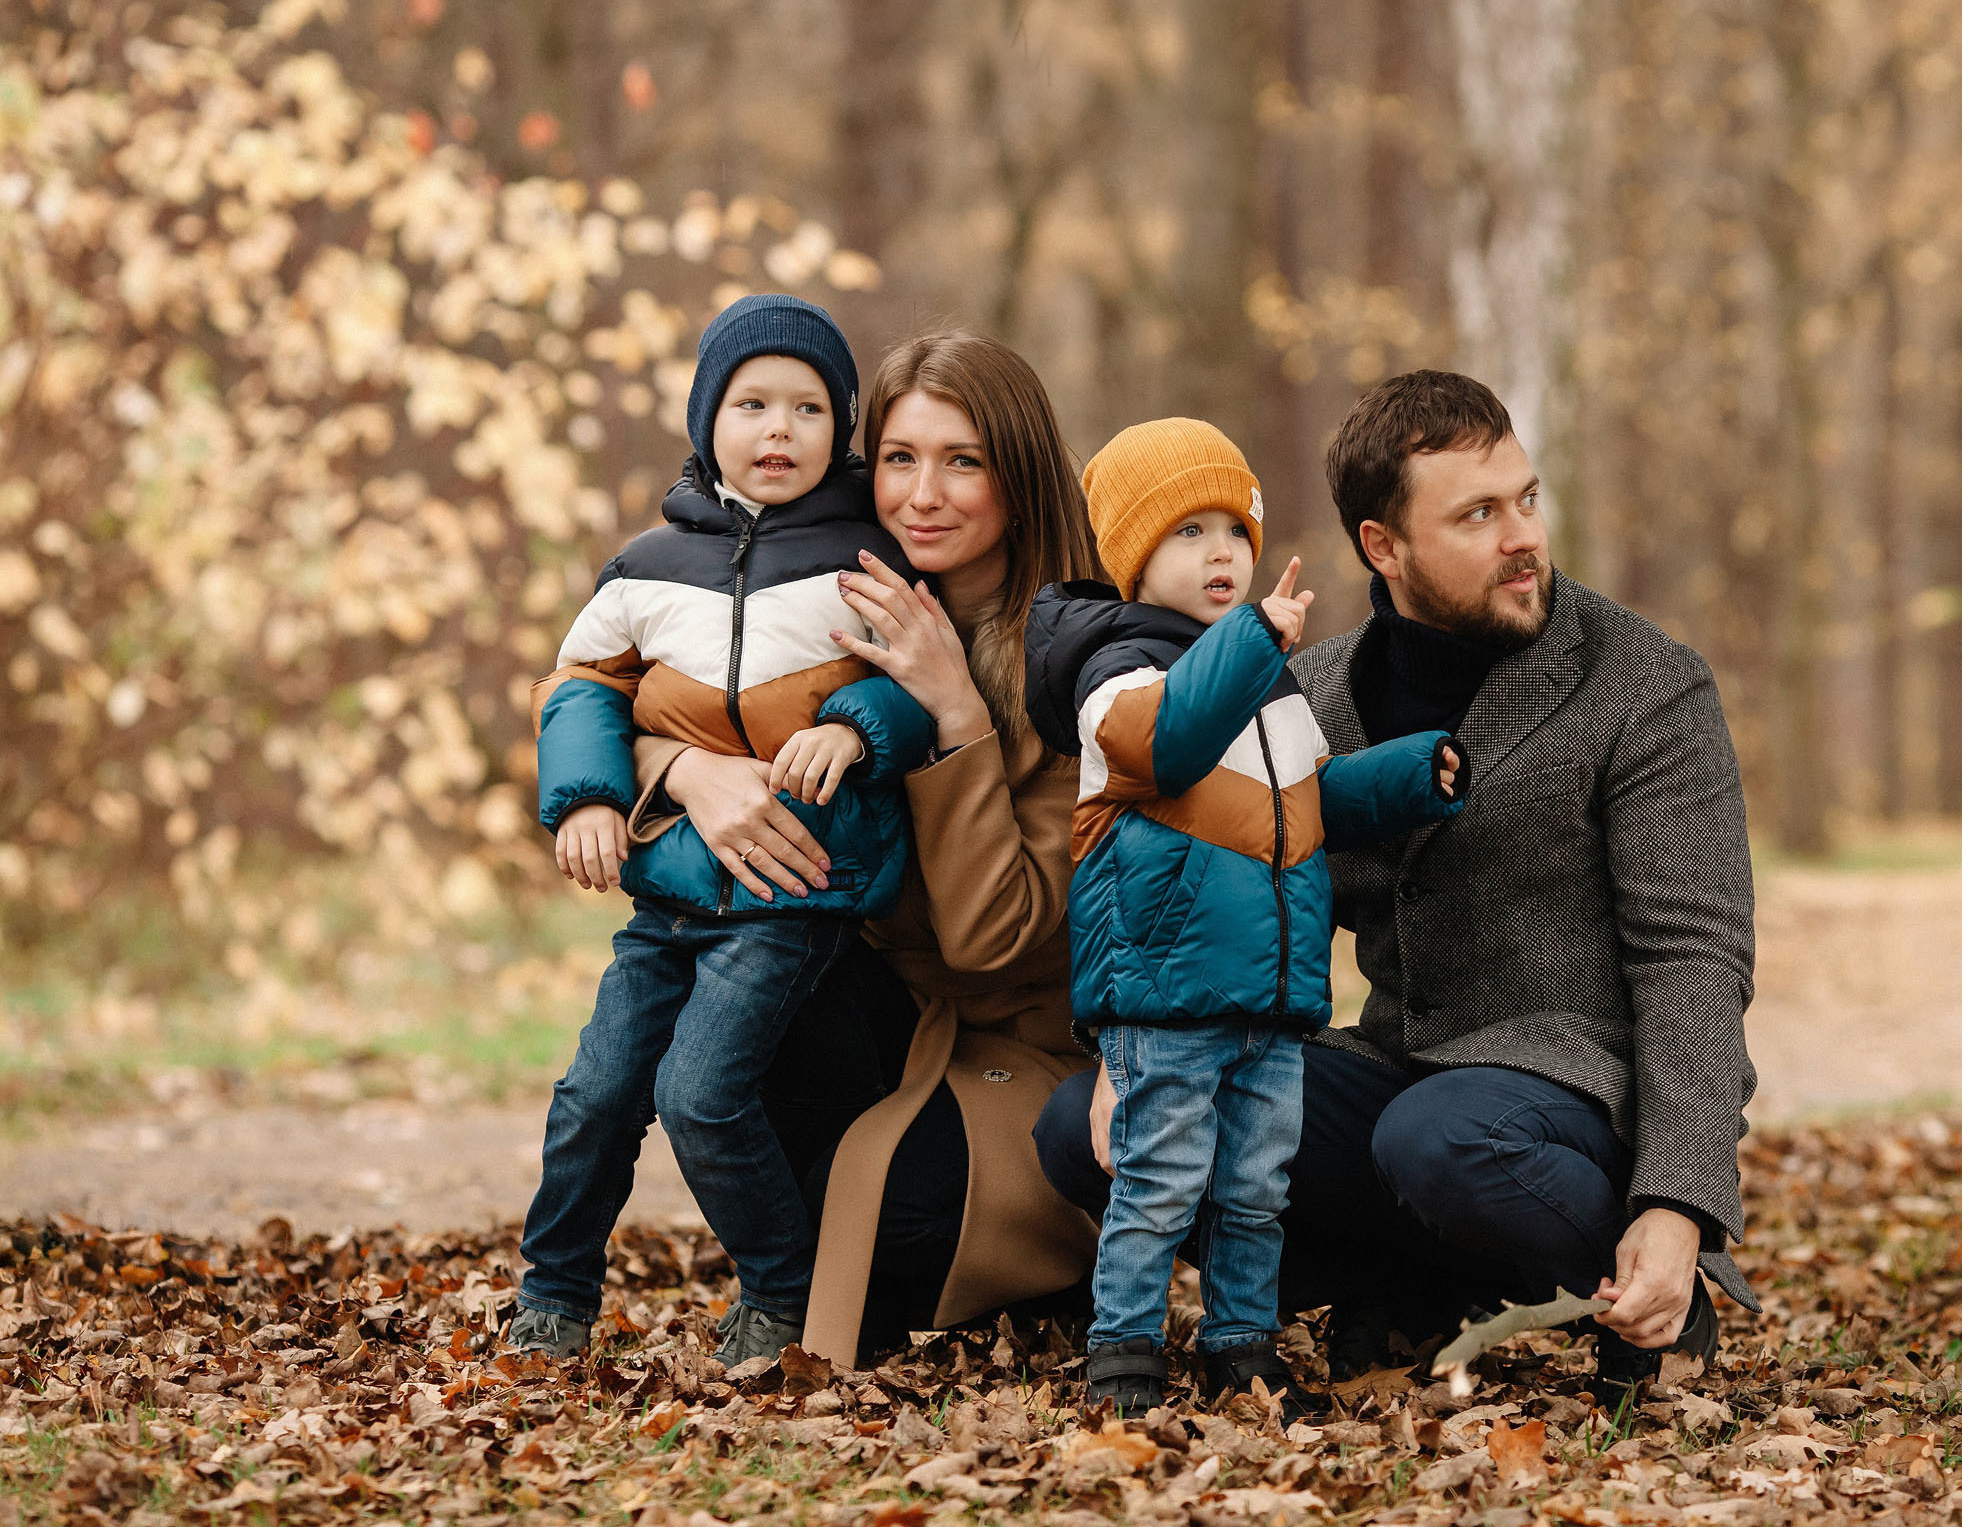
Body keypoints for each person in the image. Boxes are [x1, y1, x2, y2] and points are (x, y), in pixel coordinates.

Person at [1035, 370, 1760, 1399]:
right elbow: (1187, 879)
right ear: (1384, 546)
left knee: (1443, 1136)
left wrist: (1676, 1205)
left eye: (1525, 499)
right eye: (1476, 515)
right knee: (1090, 1125)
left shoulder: (1644, 682)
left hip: (1564, 1100)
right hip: (1396, 1078)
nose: (1523, 537)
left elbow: (1694, 959)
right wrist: (1130, 1045)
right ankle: (1402, 1281)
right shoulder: (1303, 693)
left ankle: (1654, 1296)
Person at [622, 331, 1105, 1367]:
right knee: (730, 973)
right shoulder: (822, 610)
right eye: (899, 458)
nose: (923, 495)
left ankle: (1049, 1259)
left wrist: (958, 715)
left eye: (963, 461)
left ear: (1019, 479)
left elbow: (993, 943)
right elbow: (624, 695)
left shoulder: (1078, 659)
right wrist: (688, 770)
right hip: (871, 1022)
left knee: (897, 1235)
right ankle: (796, 1268)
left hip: (1023, 1057)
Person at [512, 295, 933, 1369]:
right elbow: (581, 684)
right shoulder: (648, 565)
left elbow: (918, 685)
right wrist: (590, 797)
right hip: (669, 894)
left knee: (700, 1095)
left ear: (841, 430)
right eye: (752, 404)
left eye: (807, 407)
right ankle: (553, 1295)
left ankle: (783, 1292)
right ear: (707, 419)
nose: (779, 428)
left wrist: (855, 725)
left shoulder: (866, 559)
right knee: (595, 1094)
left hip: (795, 892)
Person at [1021, 419, 1465, 1415]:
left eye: (1234, 529)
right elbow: (1166, 745)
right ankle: (1125, 1353)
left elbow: (1312, 801)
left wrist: (1411, 773)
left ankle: (1241, 1349)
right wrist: (1253, 643)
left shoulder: (1265, 683)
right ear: (1134, 555)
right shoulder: (1115, 670)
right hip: (1167, 993)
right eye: (1188, 532)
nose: (1220, 551)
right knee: (1160, 1179)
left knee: (1258, 1188)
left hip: (1269, 996)